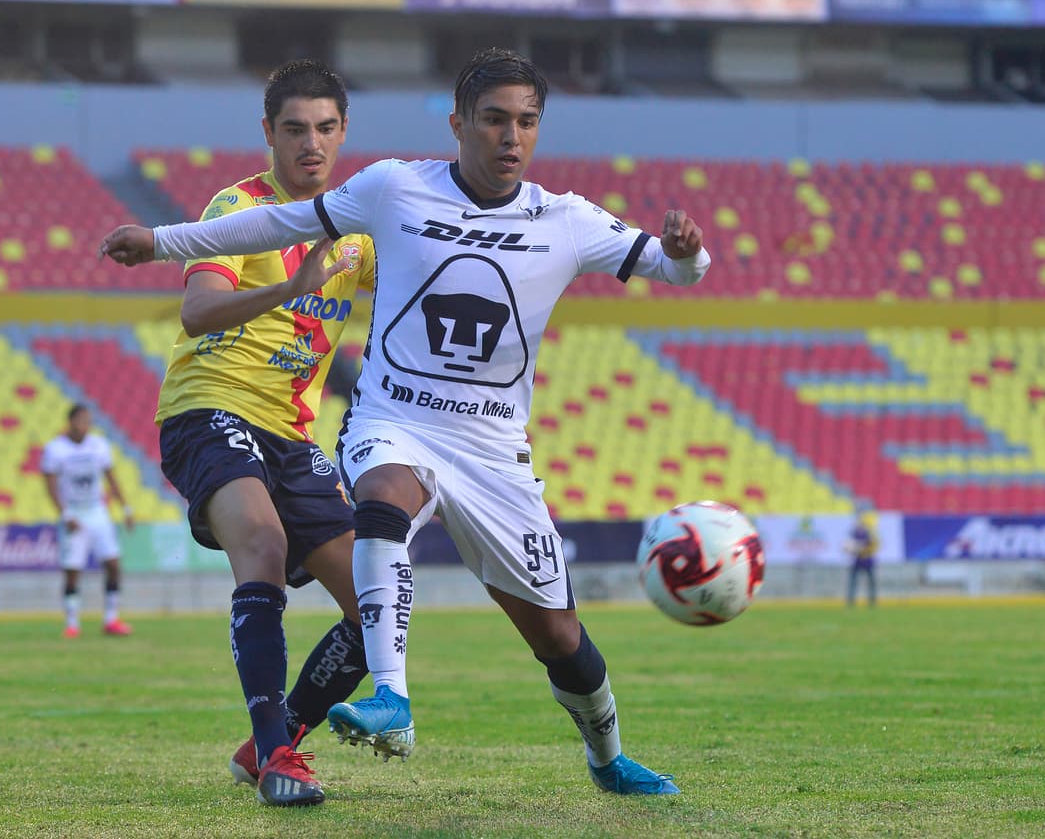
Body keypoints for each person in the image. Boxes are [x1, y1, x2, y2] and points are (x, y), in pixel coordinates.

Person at [101, 48, 710, 796]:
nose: (510, 137)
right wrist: (161, 242)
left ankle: (607, 756)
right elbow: (270, 227)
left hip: (482, 449)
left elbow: (675, 270)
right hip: (327, 416)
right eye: (493, 120)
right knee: (345, 510)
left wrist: (690, 254)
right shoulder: (381, 189)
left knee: (547, 634)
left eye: (525, 122)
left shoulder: (560, 219)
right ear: (458, 124)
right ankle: (365, 712)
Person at [148, 60, 378, 807]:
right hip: (207, 405)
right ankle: (280, 751)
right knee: (266, 547)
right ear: (268, 135)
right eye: (294, 129)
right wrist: (290, 288)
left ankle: (266, 747)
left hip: (291, 430)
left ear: (344, 132)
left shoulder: (357, 231)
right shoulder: (239, 206)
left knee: (376, 609)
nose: (310, 143)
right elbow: (197, 311)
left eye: (325, 128)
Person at [41, 404, 135, 638]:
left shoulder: (99, 445)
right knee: (72, 570)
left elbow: (111, 477)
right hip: (73, 513)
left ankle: (111, 619)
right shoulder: (55, 449)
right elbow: (50, 487)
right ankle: (72, 623)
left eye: (89, 421)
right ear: (71, 422)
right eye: (82, 420)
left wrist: (126, 508)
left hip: (97, 511)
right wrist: (65, 515)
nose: (86, 425)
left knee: (113, 564)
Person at [845, 509, 879, 607]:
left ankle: (872, 601)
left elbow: (872, 546)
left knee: (871, 583)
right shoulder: (853, 534)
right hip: (857, 561)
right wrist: (853, 549)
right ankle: (851, 601)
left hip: (867, 561)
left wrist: (861, 549)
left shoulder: (869, 534)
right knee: (853, 582)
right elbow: (848, 547)